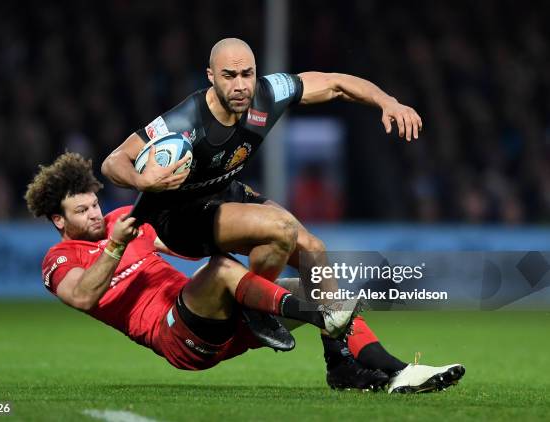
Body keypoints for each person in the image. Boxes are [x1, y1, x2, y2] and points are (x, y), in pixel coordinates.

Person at [101, 38, 463, 392]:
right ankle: (255, 307)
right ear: (210, 76)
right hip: (180, 216)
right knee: (281, 229)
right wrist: (141, 178)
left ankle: (341, 364)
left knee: (314, 252)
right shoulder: (187, 118)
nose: (241, 85)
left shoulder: (268, 93)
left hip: (225, 196)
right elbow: (113, 161)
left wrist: (387, 102)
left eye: (248, 74)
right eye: (229, 75)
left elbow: (336, 83)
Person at [25, 153, 388, 381]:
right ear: (58, 220)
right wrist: (117, 244)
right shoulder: (61, 258)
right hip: (177, 337)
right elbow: (83, 296)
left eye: (94, 205)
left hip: (215, 318)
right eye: (82, 211)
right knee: (220, 270)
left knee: (319, 286)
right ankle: (316, 318)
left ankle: (348, 366)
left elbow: (191, 239)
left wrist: (263, 233)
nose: (94, 215)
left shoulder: (122, 219)